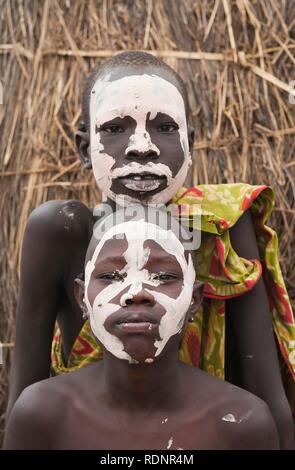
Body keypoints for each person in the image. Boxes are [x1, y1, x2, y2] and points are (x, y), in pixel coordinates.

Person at [7, 51, 294, 448]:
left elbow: (266, 392)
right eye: (115, 128)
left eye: (163, 127)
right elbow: (27, 391)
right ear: (83, 148)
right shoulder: (62, 231)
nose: (142, 146)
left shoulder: (222, 224)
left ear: (189, 143)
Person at [4, 210, 279, 450]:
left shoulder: (241, 423)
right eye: (111, 276)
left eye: (164, 277)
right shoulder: (42, 414)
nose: (136, 293)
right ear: (82, 298)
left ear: (194, 300)